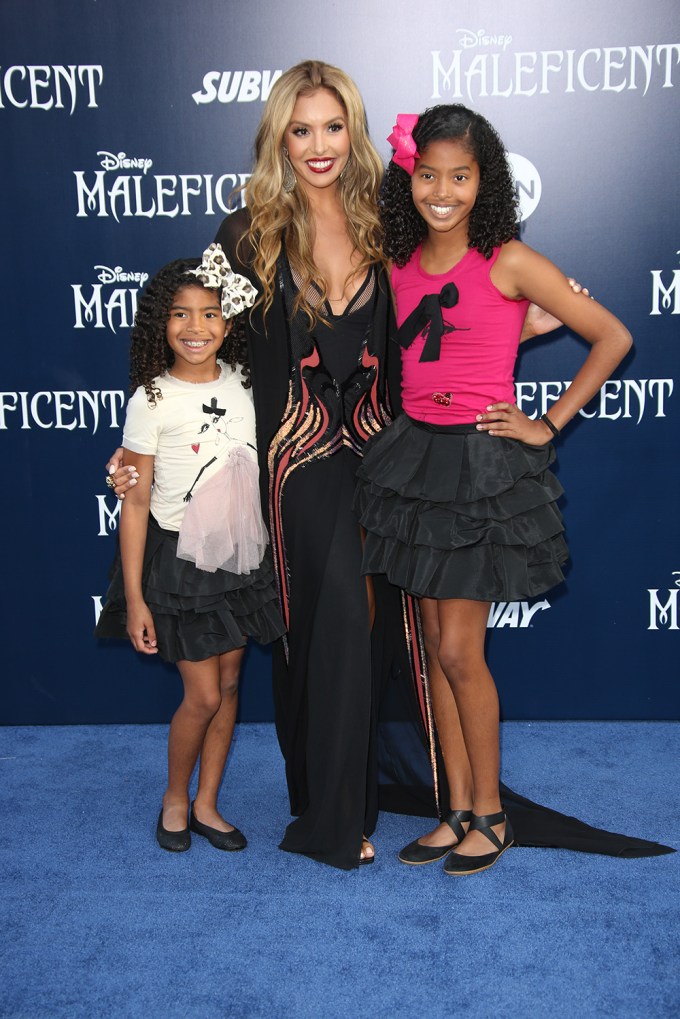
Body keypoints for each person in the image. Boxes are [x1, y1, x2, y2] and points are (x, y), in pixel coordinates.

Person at [107, 62, 669, 870]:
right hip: (297, 453)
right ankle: (335, 818)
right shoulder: (247, 233)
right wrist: (140, 438)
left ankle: (448, 798)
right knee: (336, 609)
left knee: (392, 634)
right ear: (278, 139)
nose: (318, 145)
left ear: (356, 133)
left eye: (333, 127)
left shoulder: (384, 218)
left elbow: (449, 313)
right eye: (301, 130)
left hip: (389, 450)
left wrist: (528, 334)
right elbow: (191, 339)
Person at [355, 103, 638, 874]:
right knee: (438, 655)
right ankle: (454, 807)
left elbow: (613, 334)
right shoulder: (396, 260)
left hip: (481, 469)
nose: (442, 190)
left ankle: (493, 813)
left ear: (486, 182)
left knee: (458, 649)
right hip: (415, 463)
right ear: (406, 178)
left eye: (461, 176)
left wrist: (549, 421)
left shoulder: (510, 258)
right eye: (427, 175)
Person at [96, 247, 285, 853]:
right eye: (180, 315)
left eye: (209, 314)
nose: (195, 328)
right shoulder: (150, 400)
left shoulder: (249, 383)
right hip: (178, 563)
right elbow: (135, 503)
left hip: (239, 555)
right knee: (201, 695)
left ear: (228, 324)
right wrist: (134, 599)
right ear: (161, 324)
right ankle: (175, 797)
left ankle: (207, 803)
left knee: (229, 688)